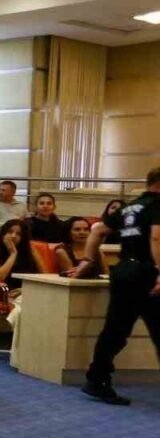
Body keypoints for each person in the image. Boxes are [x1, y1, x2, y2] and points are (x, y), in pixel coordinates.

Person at [70, 168, 160, 404]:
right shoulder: (157, 206)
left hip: (123, 272)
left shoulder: (129, 207)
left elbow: (97, 230)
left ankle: (97, 380)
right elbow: (156, 237)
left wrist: (88, 259)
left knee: (115, 331)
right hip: (147, 273)